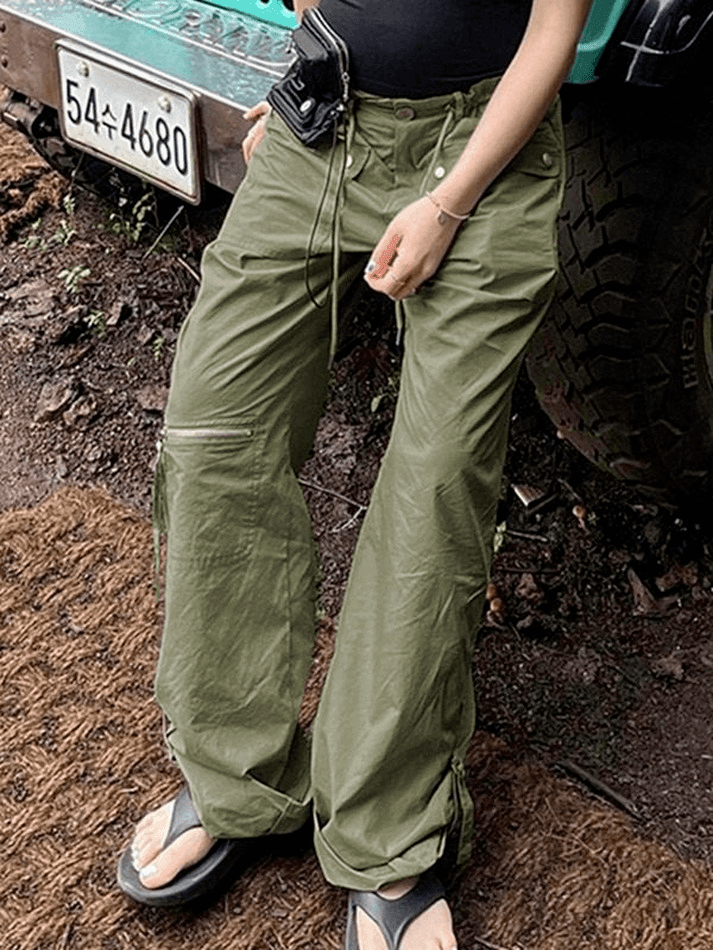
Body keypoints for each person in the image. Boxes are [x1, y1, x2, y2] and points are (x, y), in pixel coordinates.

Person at [117, 1, 594, 947]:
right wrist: (312, 70)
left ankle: (387, 831)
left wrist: (447, 204)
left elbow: (552, 31)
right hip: (320, 125)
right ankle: (237, 780)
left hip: (481, 149)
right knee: (216, 435)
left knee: (433, 492)